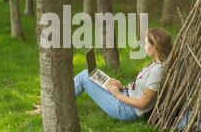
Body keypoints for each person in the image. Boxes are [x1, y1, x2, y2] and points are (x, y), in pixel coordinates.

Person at [27, 28, 172, 121]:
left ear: (156, 46)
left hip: (127, 110)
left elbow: (143, 103)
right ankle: (52, 101)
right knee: (91, 74)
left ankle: (50, 105)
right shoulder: (155, 64)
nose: (143, 46)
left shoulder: (157, 71)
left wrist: (118, 95)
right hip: (126, 96)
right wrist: (121, 87)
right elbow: (141, 91)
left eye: (146, 44)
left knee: (85, 77)